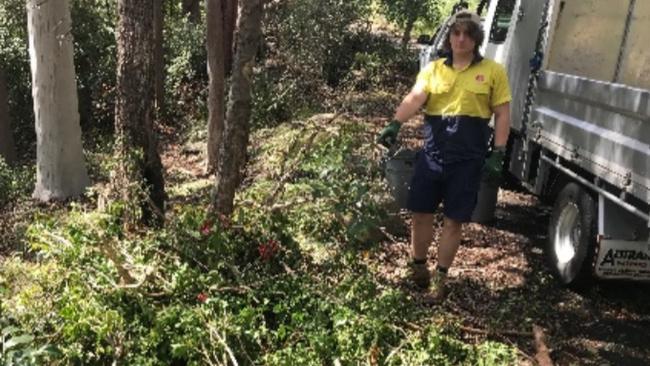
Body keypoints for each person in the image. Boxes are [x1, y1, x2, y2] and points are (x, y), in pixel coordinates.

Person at [377, 10, 511, 301]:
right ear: (449, 37)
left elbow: (502, 114)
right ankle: (418, 267)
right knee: (421, 213)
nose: (461, 39)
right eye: (456, 33)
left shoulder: (493, 72)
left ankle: (440, 278)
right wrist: (395, 122)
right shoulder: (434, 69)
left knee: (453, 221)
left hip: (468, 160)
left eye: (467, 34)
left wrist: (498, 152)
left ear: (477, 39)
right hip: (433, 155)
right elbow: (415, 97)